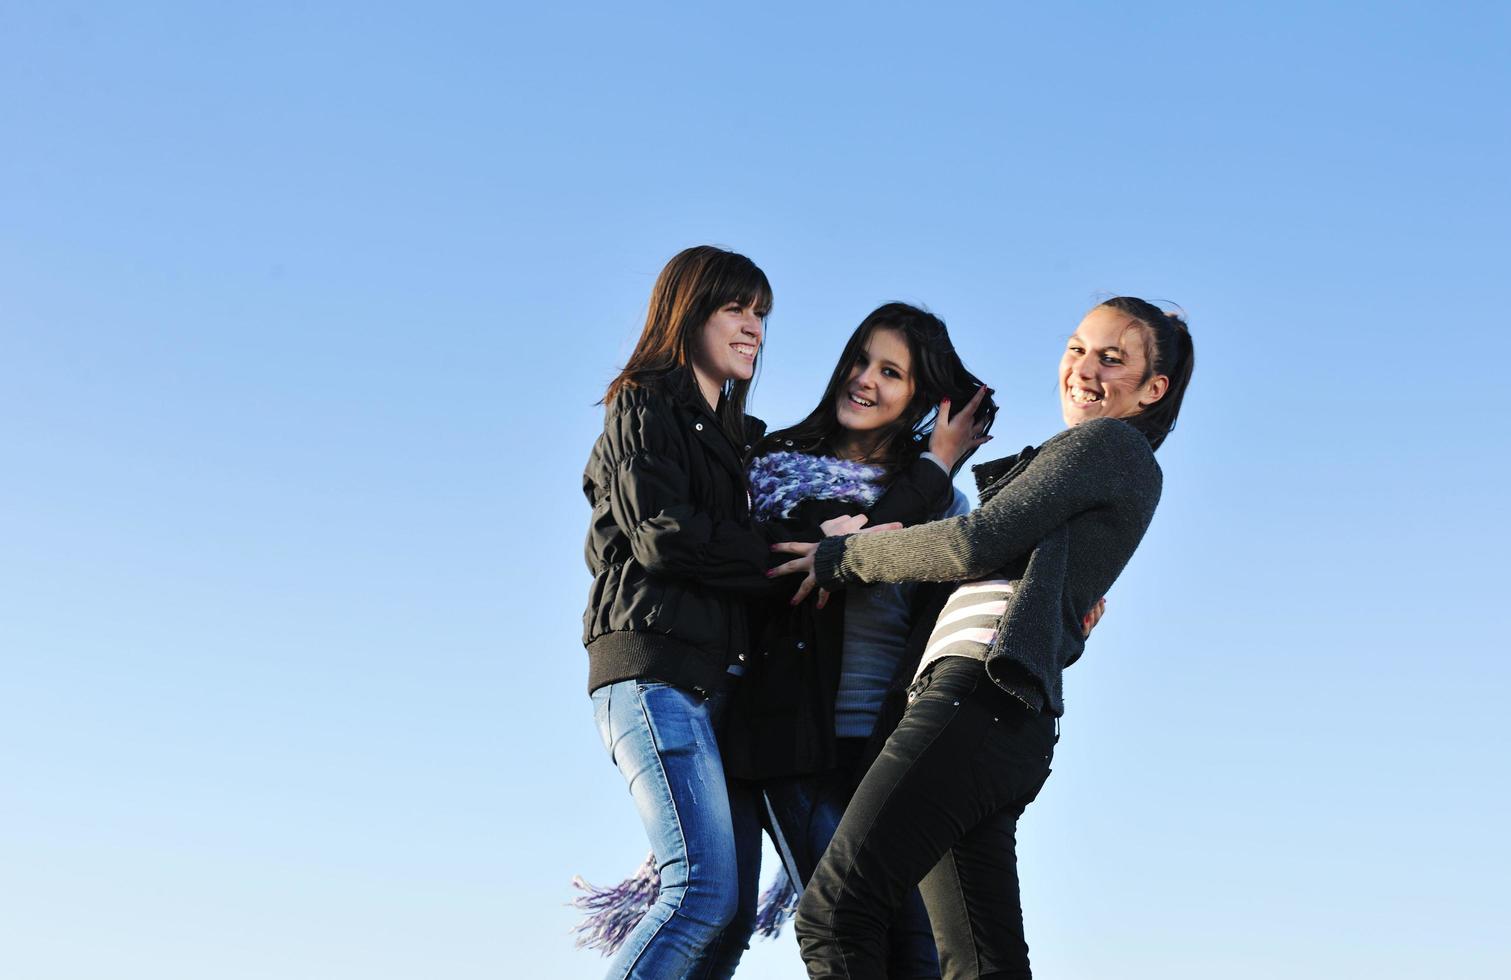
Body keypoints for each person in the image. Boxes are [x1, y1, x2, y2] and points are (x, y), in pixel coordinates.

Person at [770, 296, 1195, 979]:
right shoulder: (1101, 465)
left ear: (1153, 390)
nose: (1083, 369)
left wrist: (841, 559)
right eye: (1076, 348)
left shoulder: (1108, 444)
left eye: (1111, 359)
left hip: (974, 703)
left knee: (835, 913)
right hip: (998, 719)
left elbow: (972, 544)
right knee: (979, 961)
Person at [722, 303, 996, 978]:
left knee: (920, 950)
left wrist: (1068, 597)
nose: (863, 380)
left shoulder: (943, 510)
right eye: (859, 360)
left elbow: (959, 606)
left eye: (890, 372)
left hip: (890, 751)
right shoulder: (774, 472)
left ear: (919, 398)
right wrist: (933, 468)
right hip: (797, 745)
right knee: (848, 934)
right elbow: (811, 560)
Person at [581, 245, 775, 979]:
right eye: (736, 309)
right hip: (654, 671)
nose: (753, 327)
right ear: (687, 311)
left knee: (726, 921)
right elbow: (663, 535)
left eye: (760, 314)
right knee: (697, 894)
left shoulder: (736, 443)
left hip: (719, 687)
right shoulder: (643, 403)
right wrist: (775, 556)